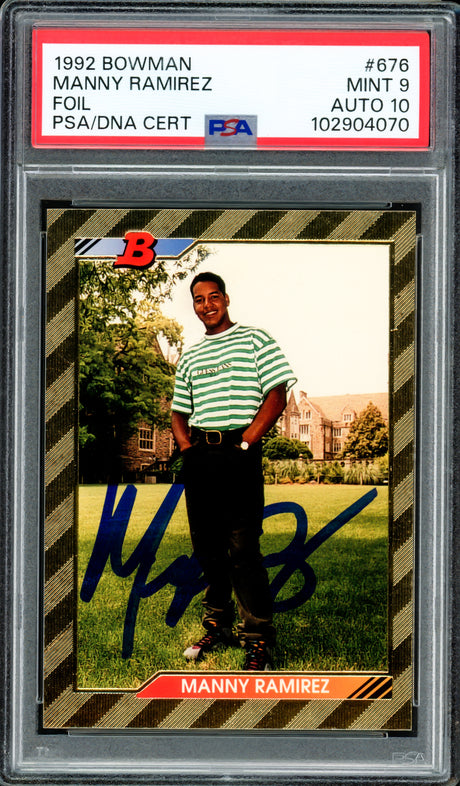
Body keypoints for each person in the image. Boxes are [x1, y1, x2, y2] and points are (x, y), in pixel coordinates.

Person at [171, 272, 296, 670]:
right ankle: (217, 626)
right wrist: (187, 449)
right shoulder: (191, 356)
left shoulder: (255, 339)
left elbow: (277, 393)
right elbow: (178, 411)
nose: (206, 305)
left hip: (239, 453)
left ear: (225, 299)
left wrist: (247, 440)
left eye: (213, 297)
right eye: (198, 299)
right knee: (207, 548)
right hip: (201, 457)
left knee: (243, 548)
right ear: (194, 305)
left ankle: (256, 637)